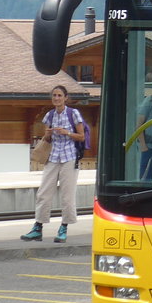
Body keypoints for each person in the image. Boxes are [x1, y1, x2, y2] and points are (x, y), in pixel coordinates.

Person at [22, 85, 86, 243]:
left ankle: (63, 228)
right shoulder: (49, 116)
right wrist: (48, 135)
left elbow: (82, 136)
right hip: (52, 156)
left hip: (69, 157)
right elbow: (47, 139)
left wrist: (67, 133)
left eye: (59, 95)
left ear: (65, 97)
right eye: (54, 96)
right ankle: (38, 228)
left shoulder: (73, 113)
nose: (56, 98)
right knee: (43, 193)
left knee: (67, 195)